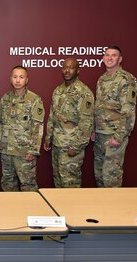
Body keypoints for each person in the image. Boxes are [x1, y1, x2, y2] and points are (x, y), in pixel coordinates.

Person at [0, 66, 44, 191]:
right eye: (15, 77)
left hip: (24, 151)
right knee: (8, 183)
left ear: (26, 80)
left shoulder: (34, 99)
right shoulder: (5, 98)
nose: (18, 80)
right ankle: (11, 210)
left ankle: (30, 210)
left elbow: (37, 126)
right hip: (6, 149)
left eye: (21, 77)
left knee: (28, 185)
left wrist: (33, 150)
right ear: (10, 79)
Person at [44, 58, 94, 188]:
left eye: (71, 68)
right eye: (65, 67)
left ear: (78, 71)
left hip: (71, 146)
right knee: (58, 182)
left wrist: (76, 146)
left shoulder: (83, 92)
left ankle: (73, 209)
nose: (67, 70)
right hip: (57, 144)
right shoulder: (58, 90)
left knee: (70, 184)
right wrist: (48, 137)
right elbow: (52, 116)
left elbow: (86, 123)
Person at [93, 46, 137, 187]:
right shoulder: (102, 79)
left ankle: (113, 208)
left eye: (114, 55)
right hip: (100, 134)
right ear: (103, 58)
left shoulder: (126, 79)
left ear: (120, 59)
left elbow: (128, 112)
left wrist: (118, 137)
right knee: (99, 175)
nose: (110, 58)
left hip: (114, 135)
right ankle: (102, 207)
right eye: (107, 55)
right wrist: (94, 129)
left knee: (111, 176)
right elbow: (99, 107)